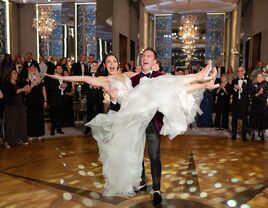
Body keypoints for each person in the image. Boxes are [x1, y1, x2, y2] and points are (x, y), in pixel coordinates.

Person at [46, 54, 218, 201]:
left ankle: (202, 81)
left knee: (166, 84)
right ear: (105, 66)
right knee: (165, 86)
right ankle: (202, 79)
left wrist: (154, 65)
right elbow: (82, 78)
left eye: (114, 61)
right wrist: (60, 78)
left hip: (143, 106)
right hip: (132, 111)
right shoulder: (105, 80)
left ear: (118, 63)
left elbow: (151, 75)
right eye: (108, 62)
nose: (111, 64)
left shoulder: (128, 74)